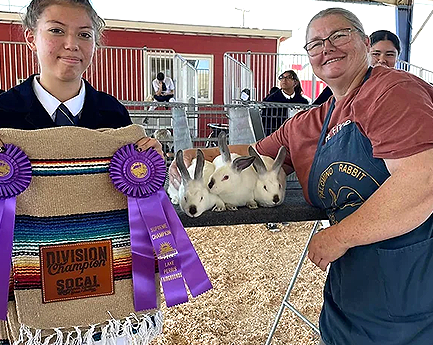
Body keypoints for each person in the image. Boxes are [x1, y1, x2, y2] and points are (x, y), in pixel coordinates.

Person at [170, 7, 433, 345]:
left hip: (416, 291)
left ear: (366, 43)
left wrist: (339, 237)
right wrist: (192, 157)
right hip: (352, 292)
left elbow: (422, 182)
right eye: (315, 44)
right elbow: (252, 155)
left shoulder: (391, 91)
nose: (327, 48)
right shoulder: (308, 123)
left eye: (339, 35)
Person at [0, 0, 162, 343]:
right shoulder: (0, 112)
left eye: (84, 34)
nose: (71, 44)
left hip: (103, 297)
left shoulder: (113, 114)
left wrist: (150, 171)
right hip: (26, 295)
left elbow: (137, 206)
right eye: (56, 30)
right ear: (30, 37)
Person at [314, 29, 400, 106]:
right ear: (366, 52)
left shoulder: (402, 86)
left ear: (397, 57)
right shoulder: (346, 84)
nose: (382, 60)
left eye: (389, 55)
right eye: (376, 54)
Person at [262, 70, 309, 135]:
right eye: (282, 77)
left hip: (296, 135)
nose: (284, 80)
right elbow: (266, 121)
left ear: (295, 83)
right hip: (276, 136)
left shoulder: (303, 102)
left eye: (288, 77)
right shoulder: (271, 100)